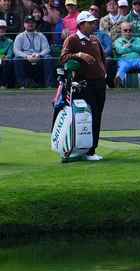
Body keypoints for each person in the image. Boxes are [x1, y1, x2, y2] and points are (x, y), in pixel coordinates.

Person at [60, 11, 108, 160]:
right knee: (87, 117)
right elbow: (63, 58)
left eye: (94, 22)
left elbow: (102, 59)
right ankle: (85, 150)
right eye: (90, 23)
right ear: (81, 25)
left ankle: (92, 149)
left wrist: (104, 74)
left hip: (99, 82)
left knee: (97, 115)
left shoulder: (95, 39)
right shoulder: (72, 39)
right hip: (84, 84)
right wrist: (79, 55)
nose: (93, 25)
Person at [13, 15, 52, 87]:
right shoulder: (20, 36)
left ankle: (48, 84)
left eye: (32, 23)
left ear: (35, 24)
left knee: (48, 57)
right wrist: (26, 56)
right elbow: (16, 50)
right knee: (17, 59)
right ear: (24, 24)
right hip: (26, 59)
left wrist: (39, 55)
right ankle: (23, 84)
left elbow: (47, 49)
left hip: (38, 58)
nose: (30, 24)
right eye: (28, 23)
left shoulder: (41, 35)